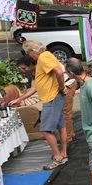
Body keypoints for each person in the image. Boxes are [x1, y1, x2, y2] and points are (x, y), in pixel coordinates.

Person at [21, 40, 68, 170]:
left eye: (28, 53)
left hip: (51, 98)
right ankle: (64, 154)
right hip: (54, 97)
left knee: (45, 130)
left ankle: (58, 156)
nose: (29, 57)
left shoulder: (43, 57)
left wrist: (61, 86)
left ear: (32, 52)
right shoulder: (47, 55)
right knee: (61, 126)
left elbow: (58, 72)